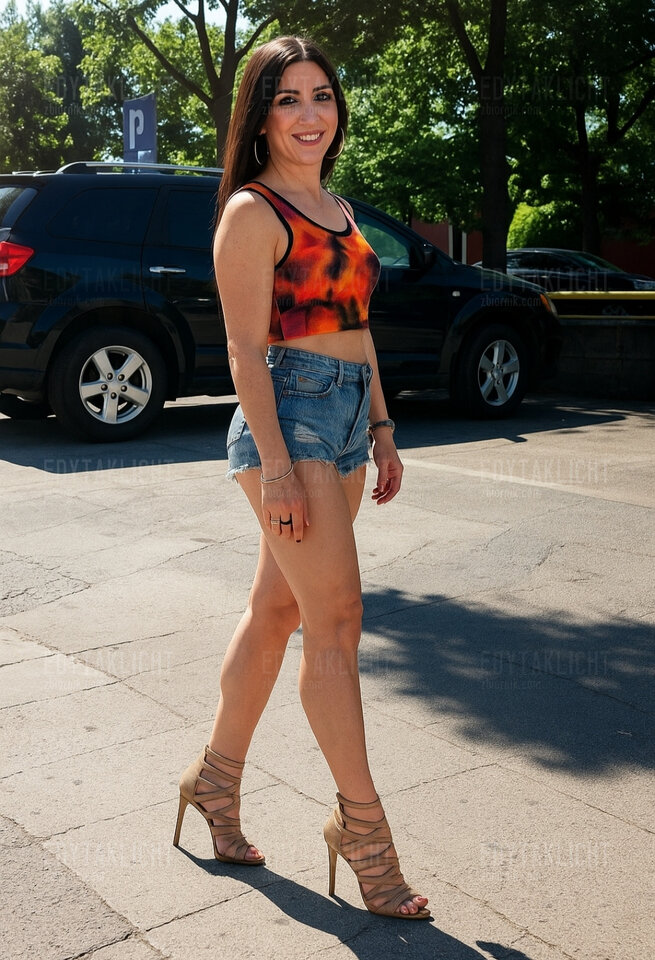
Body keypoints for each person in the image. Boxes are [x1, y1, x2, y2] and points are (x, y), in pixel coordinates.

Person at [173, 35, 430, 921]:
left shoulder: (340, 209)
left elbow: (357, 327)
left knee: (277, 610)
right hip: (290, 418)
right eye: (288, 99)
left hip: (348, 416)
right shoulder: (253, 212)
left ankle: (214, 781)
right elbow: (244, 351)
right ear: (260, 117)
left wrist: (384, 428)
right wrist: (278, 469)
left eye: (321, 95)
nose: (309, 114)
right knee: (337, 619)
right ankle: (362, 831)